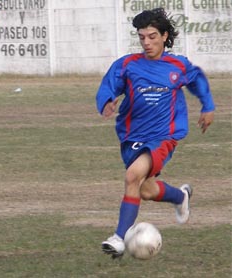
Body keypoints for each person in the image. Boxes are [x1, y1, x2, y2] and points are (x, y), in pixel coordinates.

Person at [96, 8, 215, 259]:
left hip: (163, 136)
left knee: (132, 177)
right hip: (132, 136)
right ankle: (180, 196)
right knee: (146, 190)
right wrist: (107, 100)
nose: (146, 42)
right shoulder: (128, 64)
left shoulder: (177, 65)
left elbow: (197, 81)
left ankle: (119, 237)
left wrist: (208, 105)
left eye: (152, 36)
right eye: (142, 37)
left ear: (164, 36)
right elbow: (108, 85)